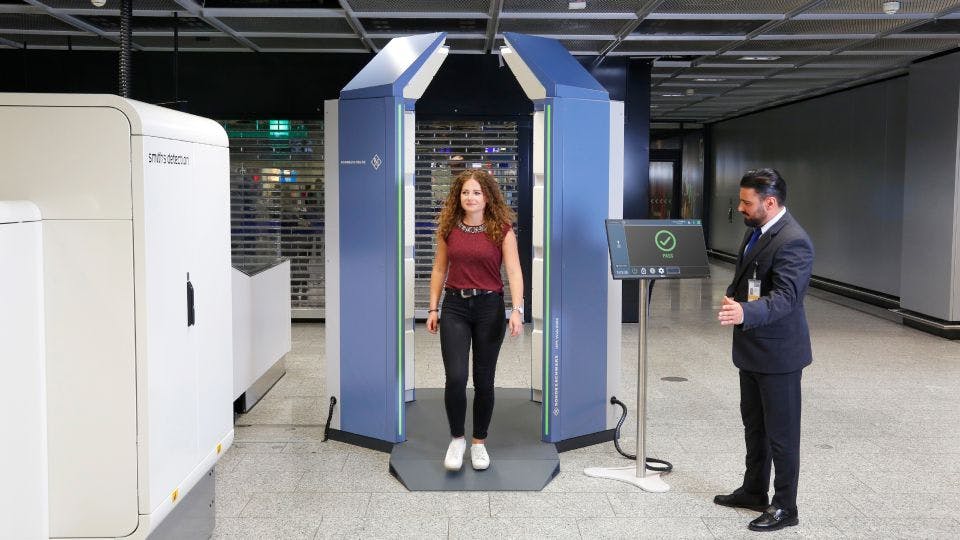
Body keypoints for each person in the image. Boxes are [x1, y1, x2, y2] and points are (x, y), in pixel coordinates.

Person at [715, 168, 814, 532]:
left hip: (780, 356)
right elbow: (750, 278)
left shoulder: (793, 241)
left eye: (746, 202)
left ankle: (785, 507)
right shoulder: (756, 231)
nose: (740, 207)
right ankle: (754, 490)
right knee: (755, 426)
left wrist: (746, 310)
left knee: (782, 436)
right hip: (752, 349)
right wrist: (734, 296)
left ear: (769, 203)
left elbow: (787, 297)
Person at [426, 169, 523, 472]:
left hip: (489, 308)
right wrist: (432, 308)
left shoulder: (502, 230)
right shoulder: (448, 229)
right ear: (459, 196)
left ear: (487, 197)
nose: (470, 197)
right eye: (465, 192)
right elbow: (440, 270)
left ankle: (479, 442)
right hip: (455, 307)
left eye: (477, 192)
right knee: (456, 377)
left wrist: (517, 309)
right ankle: (457, 440)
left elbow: (515, 271)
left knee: (484, 381)